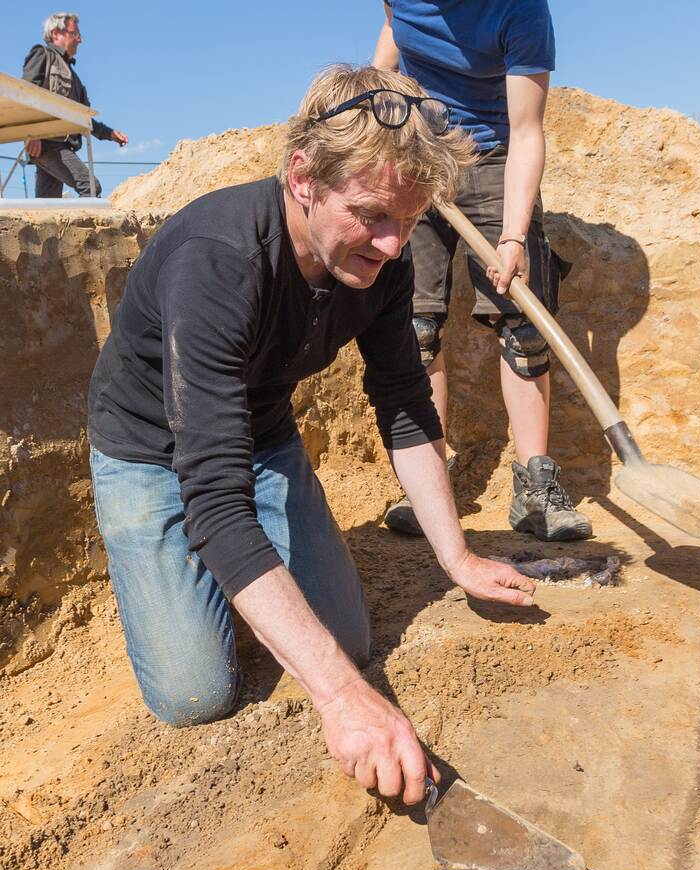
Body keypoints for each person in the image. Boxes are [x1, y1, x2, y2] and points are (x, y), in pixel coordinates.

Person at [87, 64, 536, 806]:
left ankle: (243, 583)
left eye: (409, 219)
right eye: (370, 215)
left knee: (350, 643)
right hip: (147, 452)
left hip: (258, 436)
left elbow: (402, 401)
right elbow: (216, 500)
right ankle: (165, 565)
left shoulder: (380, 259)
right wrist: (342, 700)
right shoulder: (219, 260)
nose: (393, 246)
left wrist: (455, 555)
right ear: (303, 176)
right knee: (195, 696)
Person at [374, 0, 593, 542]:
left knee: (523, 326)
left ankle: (535, 486)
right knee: (415, 329)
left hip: (495, 155)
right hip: (416, 155)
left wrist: (514, 235)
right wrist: (386, 106)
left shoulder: (519, 9)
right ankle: (429, 479)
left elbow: (526, 130)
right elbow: (389, 38)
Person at [22, 12, 128, 198]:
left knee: (48, 207)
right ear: (56, 33)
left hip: (59, 146)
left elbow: (83, 119)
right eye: (74, 33)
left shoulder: (75, 79)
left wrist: (110, 134)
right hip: (46, 144)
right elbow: (26, 93)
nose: (79, 39)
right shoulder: (43, 55)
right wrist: (32, 133)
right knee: (91, 187)